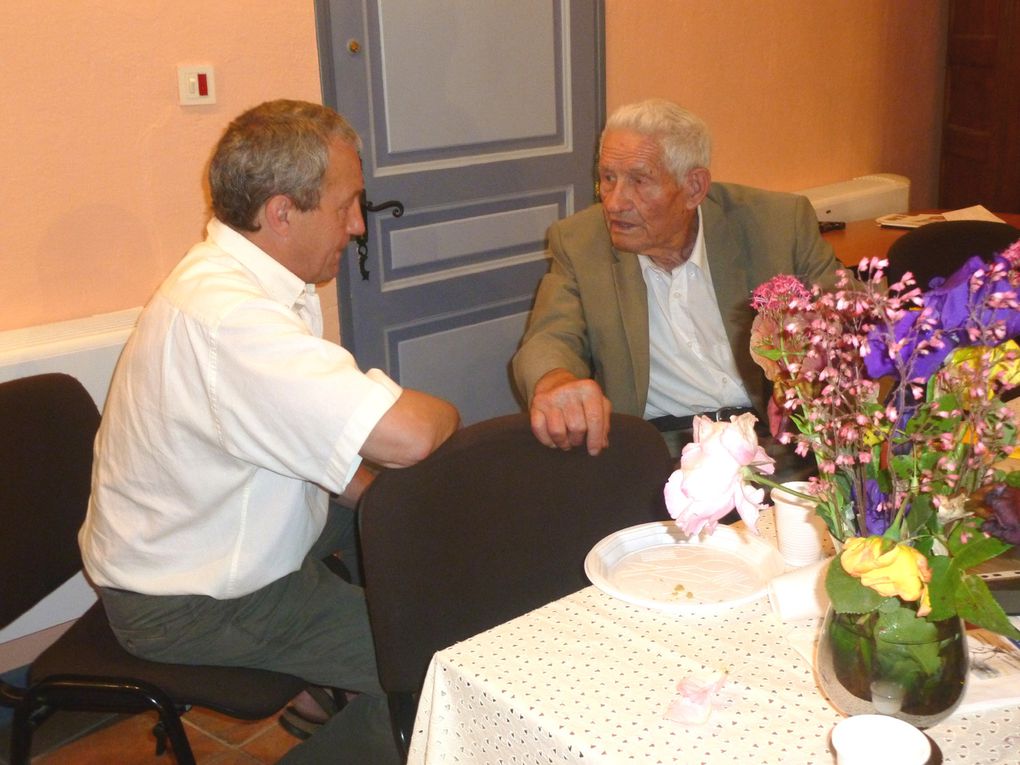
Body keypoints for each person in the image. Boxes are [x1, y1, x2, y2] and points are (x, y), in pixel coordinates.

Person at [78, 99, 460, 764]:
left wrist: (379, 500)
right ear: (282, 212)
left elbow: (299, 438)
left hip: (222, 538)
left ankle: (322, 697)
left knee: (418, 521)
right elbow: (411, 435)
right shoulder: (232, 320)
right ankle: (365, 706)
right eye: (347, 205)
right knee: (439, 665)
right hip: (194, 599)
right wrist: (446, 412)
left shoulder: (253, 280)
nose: (356, 226)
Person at [512, 98, 840, 464]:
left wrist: (811, 374)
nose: (615, 203)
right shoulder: (580, 242)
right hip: (659, 448)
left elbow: (848, 326)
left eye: (639, 181)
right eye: (608, 178)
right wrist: (555, 379)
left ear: (694, 187)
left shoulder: (778, 224)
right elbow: (548, 337)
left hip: (773, 438)